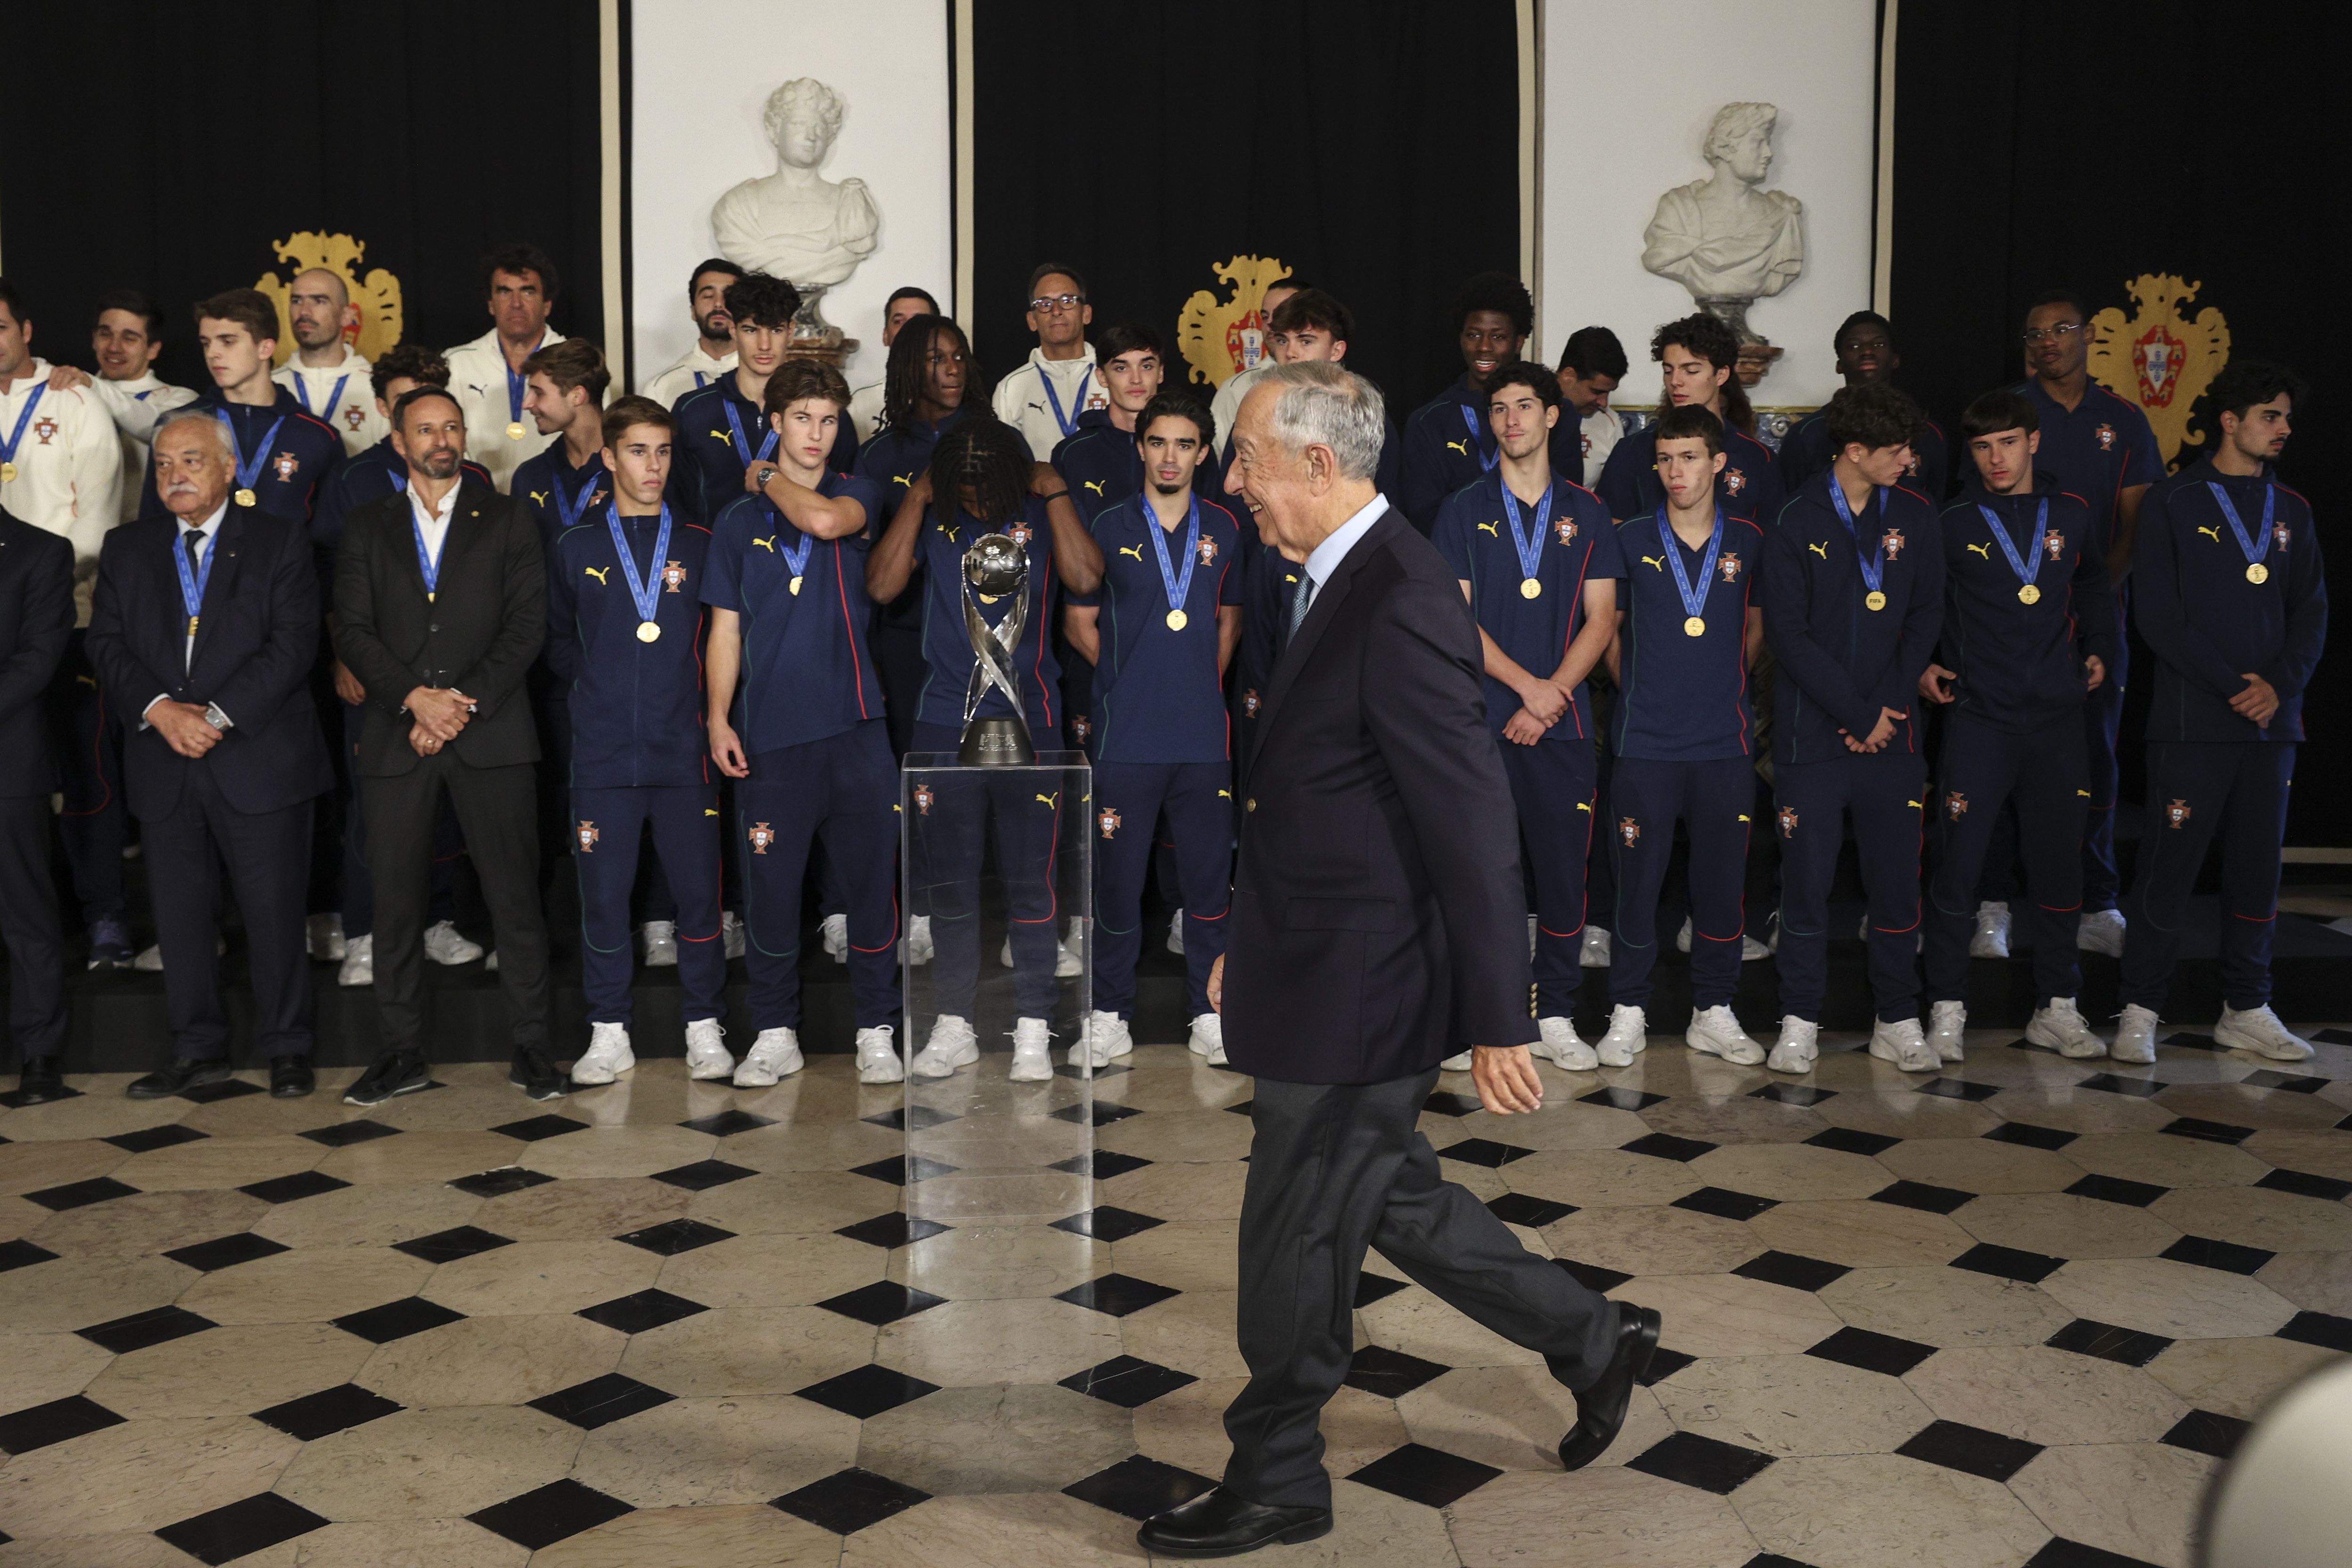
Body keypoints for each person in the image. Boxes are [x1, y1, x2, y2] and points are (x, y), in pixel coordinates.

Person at [1138, 360, 1657, 1557]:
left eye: (1249, 459)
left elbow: (1469, 815)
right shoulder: (1334, 576)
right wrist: (1242, 946)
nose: (1235, 483)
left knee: (1293, 1229)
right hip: (1318, 957)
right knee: (1388, 1198)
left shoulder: (1404, 592)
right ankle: (1592, 1337)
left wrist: (1501, 1014)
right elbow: (1321, 796)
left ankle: (1276, 1472)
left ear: (1318, 464)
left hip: (1361, 985)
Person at [88, 412, 332, 1099]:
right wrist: (163, 712)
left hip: (257, 756)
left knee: (275, 911)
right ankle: (197, 1047)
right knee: (181, 917)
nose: (176, 476)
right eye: (164, 464)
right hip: (165, 759)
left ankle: (287, 1047)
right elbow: (106, 643)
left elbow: (292, 646)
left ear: (228, 468)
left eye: (191, 461)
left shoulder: (280, 542)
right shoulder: (127, 548)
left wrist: (215, 718)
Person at [333, 384, 560, 1105]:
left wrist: (459, 704)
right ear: (398, 442)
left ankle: (533, 1046)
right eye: (426, 429)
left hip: (490, 731)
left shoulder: (511, 518)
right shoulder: (366, 524)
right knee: (396, 902)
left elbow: (528, 625)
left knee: (514, 897)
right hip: (400, 734)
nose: (442, 440)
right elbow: (352, 630)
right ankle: (401, 1053)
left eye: (452, 427)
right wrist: (414, 700)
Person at [866, 418, 1103, 1080]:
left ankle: (1032, 1026)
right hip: (946, 723)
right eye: (960, 488)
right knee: (952, 884)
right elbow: (883, 586)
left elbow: (1086, 577)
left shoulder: (1039, 508)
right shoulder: (937, 516)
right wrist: (916, 498)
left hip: (1033, 724)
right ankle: (954, 1024)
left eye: (982, 488)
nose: (972, 500)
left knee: (1032, 880)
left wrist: (1055, 490)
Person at [2115, 361, 2326, 1064]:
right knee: (2168, 866)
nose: (2285, 428)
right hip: (2191, 722)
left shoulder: (2292, 509)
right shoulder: (2174, 501)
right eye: (2272, 415)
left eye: (2286, 417)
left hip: (2272, 726)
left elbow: (2311, 613)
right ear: (2230, 421)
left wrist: (2276, 685)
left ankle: (2248, 1004)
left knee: (2257, 868)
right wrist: (2233, 684)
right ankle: (2140, 1008)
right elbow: (2158, 617)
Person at [706, 360, 903, 1085]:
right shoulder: (733, 522)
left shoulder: (859, 494)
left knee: (872, 889)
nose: (816, 434)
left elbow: (819, 520)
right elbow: (725, 630)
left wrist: (760, 475)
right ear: (774, 421)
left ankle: (878, 1029)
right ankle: (774, 1030)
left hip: (856, 727)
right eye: (801, 419)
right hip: (771, 734)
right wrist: (717, 718)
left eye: (828, 420)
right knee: (771, 893)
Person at [1431, 360, 1619, 1073]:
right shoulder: (1461, 509)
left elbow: (1601, 620)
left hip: (1562, 729)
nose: (1512, 419)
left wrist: (1551, 697)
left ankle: (1559, 1012)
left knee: (1562, 876)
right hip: (1482, 727)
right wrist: (1524, 689)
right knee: (1483, 877)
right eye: (1500, 408)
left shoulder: (1589, 511)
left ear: (1551, 418)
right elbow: (1456, 619)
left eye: (1525, 406)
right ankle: (1487, 1017)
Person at [1918, 390, 2116, 1063]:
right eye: (1981, 447)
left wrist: (2097, 648)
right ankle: (1946, 1009)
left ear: (2032, 441)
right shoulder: (1952, 520)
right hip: (1981, 720)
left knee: (2060, 867)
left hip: (2058, 721)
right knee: (1959, 868)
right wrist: (1923, 663)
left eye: (2006, 442)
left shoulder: (2073, 513)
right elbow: (1923, 603)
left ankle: (2058, 1006)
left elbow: (2092, 587)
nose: (1994, 458)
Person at [546, 394, 731, 1086]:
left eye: (662, 451)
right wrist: (601, 690)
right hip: (601, 758)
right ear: (609, 457)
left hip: (684, 752)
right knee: (604, 896)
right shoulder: (575, 545)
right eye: (636, 451)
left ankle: (704, 1025)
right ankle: (608, 1029)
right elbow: (559, 643)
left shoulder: (701, 542)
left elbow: (724, 639)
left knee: (697, 897)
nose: (652, 467)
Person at [1761, 381, 1945, 1075]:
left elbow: (1926, 615)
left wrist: (1886, 709)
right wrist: (1857, 713)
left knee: (1897, 885)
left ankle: (1897, 1016)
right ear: (1854, 451)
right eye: (1895, 450)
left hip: (1893, 737)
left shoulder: (1917, 514)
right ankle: (1799, 1019)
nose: (1908, 460)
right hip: (1815, 739)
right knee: (1805, 886)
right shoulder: (1795, 518)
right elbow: (1789, 634)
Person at [1064, 391, 1242, 1068]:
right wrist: (1130, 671)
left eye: (1185, 444)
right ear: (1139, 448)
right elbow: (1079, 623)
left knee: (1204, 885)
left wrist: (1193, 675)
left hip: (1202, 739)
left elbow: (1230, 620)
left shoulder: (1225, 527)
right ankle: (1108, 1014)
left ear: (1203, 452)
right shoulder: (1105, 524)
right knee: (1115, 884)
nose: (1170, 457)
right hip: (1124, 736)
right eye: (1158, 443)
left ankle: (1209, 1010)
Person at [1595, 403, 1768, 1068]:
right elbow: (1606, 630)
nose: (1676, 471)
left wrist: (1719, 682)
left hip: (1723, 745)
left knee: (1722, 883)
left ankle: (1714, 1008)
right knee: (1636, 884)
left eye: (1690, 457)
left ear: (1719, 463)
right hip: (1646, 745)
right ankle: (1628, 1008)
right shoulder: (1630, 537)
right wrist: (1640, 684)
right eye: (1665, 458)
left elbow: (1755, 629)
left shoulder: (1748, 539)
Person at [310, 345, 488, 989]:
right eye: (411, 406)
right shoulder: (357, 480)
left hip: (451, 676)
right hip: (378, 671)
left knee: (444, 800)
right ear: (389, 415)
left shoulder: (477, 481)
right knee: (374, 807)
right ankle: (365, 931)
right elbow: (327, 572)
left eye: (438, 406)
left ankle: (436, 920)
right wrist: (340, 653)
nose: (429, 421)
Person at [2014, 289, 2163, 958]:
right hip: (2013, 626)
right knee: (2007, 760)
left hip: (2097, 619)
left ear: (2088, 336)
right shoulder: (2011, 414)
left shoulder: (2123, 420)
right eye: (2035, 334)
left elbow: (2137, 522)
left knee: (2095, 758)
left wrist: (2096, 597)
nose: (2047, 342)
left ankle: (2097, 899)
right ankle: (1999, 898)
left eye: (2060, 330)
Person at [0, 280, 130, 966]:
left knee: (85, 772)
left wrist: (43, 591)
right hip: (0, 632)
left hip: (68, 613)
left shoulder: (75, 399)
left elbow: (101, 515)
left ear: (25, 329)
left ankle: (105, 913)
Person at [856, 313, 980, 767]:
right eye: (936, 358)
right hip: (906, 642)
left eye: (959, 357)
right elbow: (863, 566)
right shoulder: (877, 454)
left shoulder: (999, 443)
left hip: (983, 638)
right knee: (921, 781)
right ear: (910, 367)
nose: (953, 368)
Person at [670, 272, 855, 525]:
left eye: (776, 330)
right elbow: (676, 502)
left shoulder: (827, 415)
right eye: (751, 330)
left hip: (799, 559)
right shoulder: (692, 410)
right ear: (733, 330)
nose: (765, 345)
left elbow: (845, 497)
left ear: (791, 332)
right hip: (715, 559)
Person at [0, 506, 73, 1104]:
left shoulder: (40, 551)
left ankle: (39, 1053)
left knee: (24, 912)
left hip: (8, 763)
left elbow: (37, 659)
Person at [1596, 313, 1781, 524]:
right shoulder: (1632, 451)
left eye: (1691, 371)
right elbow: (1610, 531)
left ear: (1721, 375)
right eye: (1668, 371)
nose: (1675, 381)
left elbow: (1772, 538)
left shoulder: (1758, 459)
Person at [1396, 272, 1533, 532]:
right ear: (1460, 338)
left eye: (1498, 337)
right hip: (1456, 565)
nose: (1484, 347)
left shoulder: (1550, 415)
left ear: (1519, 342)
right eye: (1473, 335)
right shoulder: (1429, 422)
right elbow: (1423, 518)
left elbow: (1563, 504)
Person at [1777, 312, 1949, 502]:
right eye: (1854, 346)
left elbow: (1936, 504)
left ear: (1895, 360)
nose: (1867, 352)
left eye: (1879, 344)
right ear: (1839, 365)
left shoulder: (1928, 433)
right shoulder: (1806, 434)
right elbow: (1789, 504)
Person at [445, 243, 567, 494]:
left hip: (558, 502)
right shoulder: (456, 363)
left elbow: (595, 441)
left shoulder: (575, 363)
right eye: (504, 292)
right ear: (491, 304)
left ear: (547, 305)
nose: (516, 304)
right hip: (477, 506)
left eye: (528, 292)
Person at [85, 290, 198, 522]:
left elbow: (154, 427)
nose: (114, 348)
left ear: (153, 349)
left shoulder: (180, 399)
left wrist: (91, 386)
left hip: (143, 538)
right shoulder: (75, 393)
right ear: (94, 340)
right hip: (77, 535)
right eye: (105, 334)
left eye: (129, 338)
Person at [990, 262, 1107, 459]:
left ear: (1086, 314)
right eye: (1045, 304)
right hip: (1039, 491)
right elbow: (1003, 464)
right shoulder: (1011, 388)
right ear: (1032, 320)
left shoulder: (1113, 376)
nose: (1056, 311)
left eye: (1067, 300)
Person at [272, 268, 383, 458]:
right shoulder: (270, 386)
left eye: (319, 301)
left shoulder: (379, 386)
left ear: (346, 316)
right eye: (297, 301)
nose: (304, 312)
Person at [1208, 276, 1305, 462]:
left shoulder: (1347, 390)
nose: (1271, 325)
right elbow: (1221, 463)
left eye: (1282, 314)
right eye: (1266, 316)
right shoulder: (1236, 389)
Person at [640, 257, 744, 411]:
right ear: (693, 311)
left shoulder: (765, 379)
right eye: (708, 296)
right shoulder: (660, 387)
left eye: (729, 295)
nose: (719, 304)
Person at [847, 286, 942, 440]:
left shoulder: (955, 397)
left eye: (919, 321)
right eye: (899, 322)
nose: (909, 329)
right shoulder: (860, 404)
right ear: (886, 336)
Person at [1551, 325, 1628, 487]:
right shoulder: (1528, 410)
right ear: (1568, 375)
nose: (1604, 403)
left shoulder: (1610, 423)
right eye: (1597, 391)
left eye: (1609, 393)